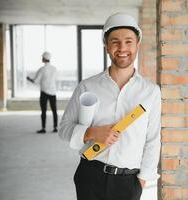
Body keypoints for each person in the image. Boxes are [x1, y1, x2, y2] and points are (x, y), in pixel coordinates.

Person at [58, 13, 161, 200]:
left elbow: (153, 140)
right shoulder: (87, 87)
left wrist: (142, 181)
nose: (122, 48)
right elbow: (64, 129)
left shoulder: (151, 92)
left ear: (137, 45)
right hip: (90, 175)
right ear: (106, 46)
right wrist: (91, 133)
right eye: (115, 42)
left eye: (128, 41)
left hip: (128, 183)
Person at [27, 51, 58, 134]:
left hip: (44, 92)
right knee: (54, 110)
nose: (41, 59)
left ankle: (43, 128)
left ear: (44, 59)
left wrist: (29, 79)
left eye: (42, 58)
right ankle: (55, 127)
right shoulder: (54, 69)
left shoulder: (42, 69)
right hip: (53, 92)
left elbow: (35, 81)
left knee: (43, 110)